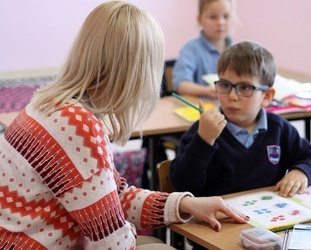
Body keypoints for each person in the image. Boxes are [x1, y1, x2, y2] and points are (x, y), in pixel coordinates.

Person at [0, 2, 249, 249]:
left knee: (153, 242)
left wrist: (183, 204)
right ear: (137, 72)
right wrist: (129, 229)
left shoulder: (51, 104)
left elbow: (113, 196)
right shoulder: (77, 125)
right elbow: (112, 242)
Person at [170, 41, 311, 198]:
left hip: (269, 216)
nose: (232, 96)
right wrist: (203, 141)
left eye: (245, 87)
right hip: (219, 220)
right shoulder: (203, 130)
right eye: (225, 85)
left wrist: (301, 172)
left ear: (266, 96)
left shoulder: (278, 128)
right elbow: (183, 186)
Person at [172, 0, 235, 98]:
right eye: (213, 17)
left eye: (226, 16)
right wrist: (206, 91)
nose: (220, 22)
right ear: (200, 20)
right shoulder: (190, 49)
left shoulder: (236, 51)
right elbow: (181, 85)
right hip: (200, 107)